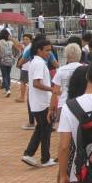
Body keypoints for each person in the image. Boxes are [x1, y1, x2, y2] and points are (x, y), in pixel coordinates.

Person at [21, 38, 57, 168]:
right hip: (42, 103)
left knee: (41, 129)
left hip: (38, 102)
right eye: (47, 50)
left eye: (50, 50)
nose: (49, 53)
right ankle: (44, 158)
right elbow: (36, 83)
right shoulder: (39, 63)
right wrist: (52, 89)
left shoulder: (37, 62)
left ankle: (29, 154)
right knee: (45, 130)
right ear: (39, 50)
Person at [50, 43, 83, 120]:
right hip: (81, 104)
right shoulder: (85, 68)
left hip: (64, 103)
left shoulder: (61, 70)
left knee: (64, 130)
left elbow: (55, 91)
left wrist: (51, 108)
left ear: (66, 56)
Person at [0, 29, 19, 98]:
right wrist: (14, 56)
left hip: (3, 60)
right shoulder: (10, 42)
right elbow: (17, 49)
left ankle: (7, 90)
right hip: (10, 60)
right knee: (8, 74)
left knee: (4, 75)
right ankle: (8, 88)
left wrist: (0, 56)